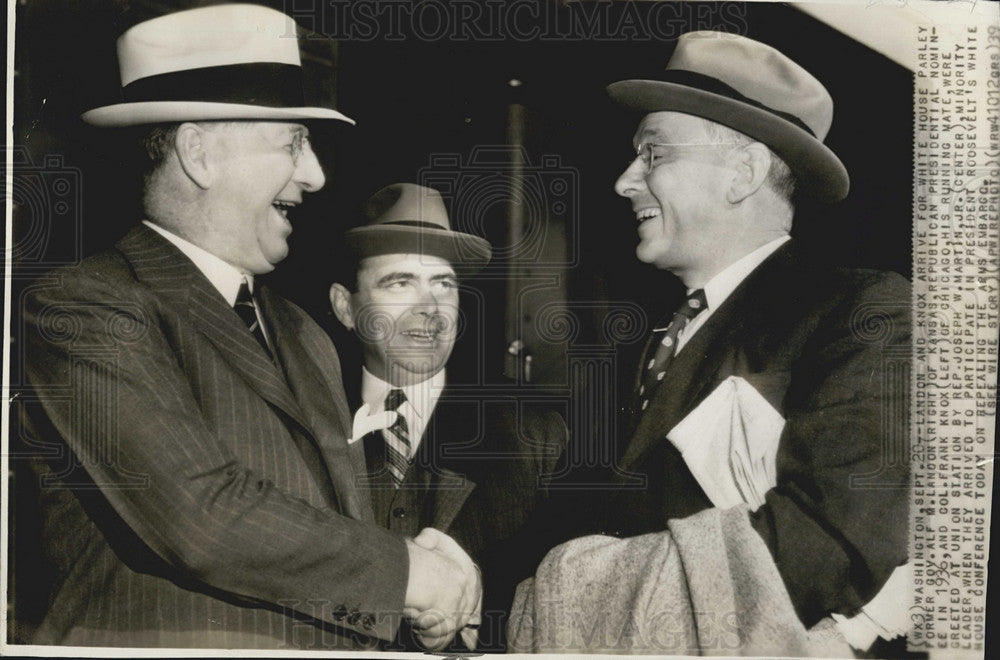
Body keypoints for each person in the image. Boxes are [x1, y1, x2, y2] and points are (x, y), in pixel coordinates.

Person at [21, 4, 478, 650]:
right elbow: (202, 516)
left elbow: (322, 542)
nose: (315, 174)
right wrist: (413, 575)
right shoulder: (84, 308)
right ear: (199, 153)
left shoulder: (302, 333)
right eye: (293, 141)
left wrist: (430, 574)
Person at [602, 31, 910, 651]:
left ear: (743, 173)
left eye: (653, 154)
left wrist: (587, 586)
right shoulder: (652, 343)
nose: (624, 181)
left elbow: (832, 542)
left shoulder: (863, 312)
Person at [329, 182, 567, 651]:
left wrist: (473, 600)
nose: (431, 309)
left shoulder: (534, 431)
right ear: (346, 306)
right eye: (400, 283)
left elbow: (567, 595)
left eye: (444, 284)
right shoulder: (306, 421)